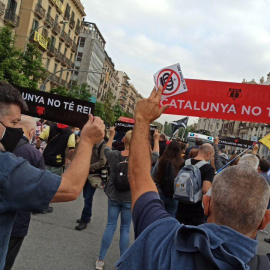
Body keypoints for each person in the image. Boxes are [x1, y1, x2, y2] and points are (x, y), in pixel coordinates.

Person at [115, 86, 270, 269]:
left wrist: (142, 119)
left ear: (207, 203)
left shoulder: (161, 239)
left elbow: (138, 176)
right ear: (264, 220)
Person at [0, 81, 105, 269]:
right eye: (14, 122)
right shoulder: (6, 169)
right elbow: (70, 188)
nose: (18, 129)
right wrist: (88, 141)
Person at [4, 116, 45, 270]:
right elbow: (40, 190)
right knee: (6, 261)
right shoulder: (34, 154)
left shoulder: (3, 145)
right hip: (18, 218)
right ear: (32, 132)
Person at [95, 128, 133, 270]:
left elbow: (106, 150)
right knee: (125, 229)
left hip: (114, 195)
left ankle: (101, 260)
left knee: (110, 226)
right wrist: (154, 140)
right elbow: (155, 155)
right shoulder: (139, 158)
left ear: (124, 140)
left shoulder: (115, 155)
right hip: (129, 197)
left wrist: (111, 136)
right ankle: (122, 262)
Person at [175, 143, 215, 226]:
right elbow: (205, 189)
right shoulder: (208, 168)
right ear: (209, 154)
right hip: (196, 210)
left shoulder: (185, 163)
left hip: (181, 205)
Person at [75, 137, 107, 231]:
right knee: (86, 196)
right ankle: (86, 216)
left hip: (94, 174)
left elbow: (102, 162)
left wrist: (89, 167)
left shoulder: (103, 145)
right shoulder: (94, 143)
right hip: (88, 173)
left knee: (88, 197)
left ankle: (84, 220)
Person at [151, 141, 184, 217]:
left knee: (157, 217)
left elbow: (153, 176)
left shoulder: (161, 161)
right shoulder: (181, 163)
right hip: (174, 195)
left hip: (160, 192)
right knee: (170, 218)